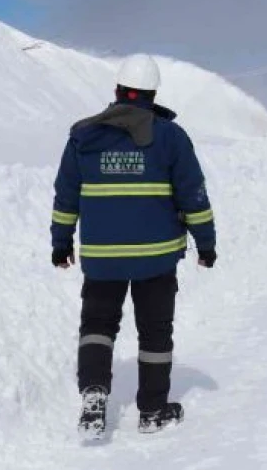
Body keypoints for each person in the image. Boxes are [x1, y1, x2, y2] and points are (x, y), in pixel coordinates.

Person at [49, 54, 218, 438]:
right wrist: (205, 245)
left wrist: (61, 244)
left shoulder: (83, 136)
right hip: (155, 259)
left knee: (97, 326)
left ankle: (93, 397)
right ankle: (153, 410)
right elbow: (193, 195)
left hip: (102, 259)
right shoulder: (171, 137)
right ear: (152, 93)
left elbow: (65, 196)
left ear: (117, 90)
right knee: (155, 332)